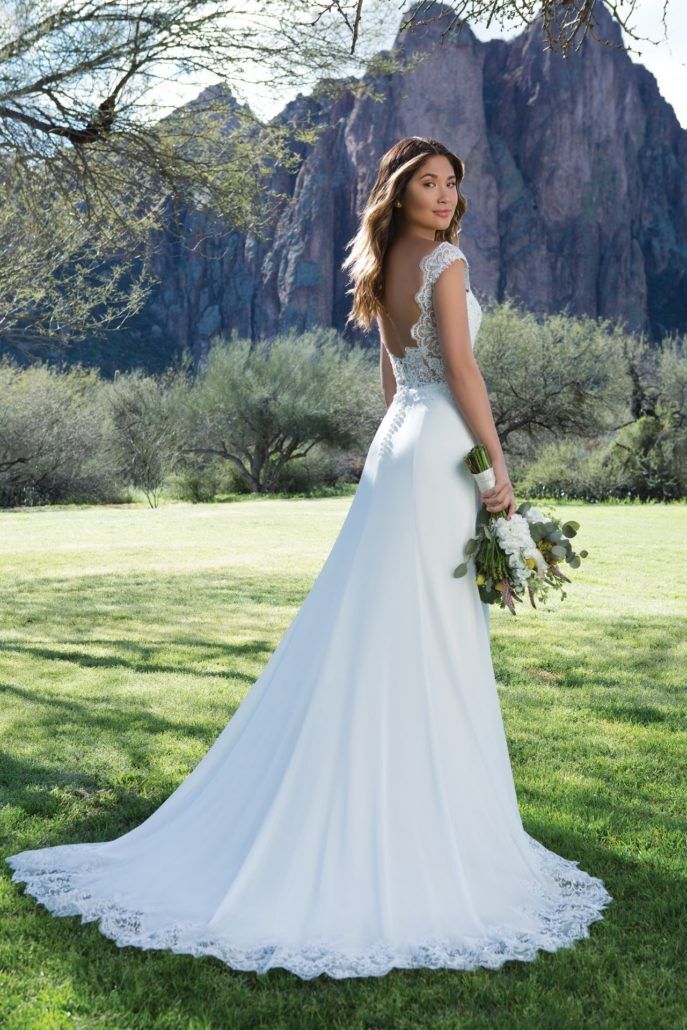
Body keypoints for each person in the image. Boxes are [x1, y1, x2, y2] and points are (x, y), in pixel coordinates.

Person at [6, 136, 612, 980]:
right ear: (399, 193)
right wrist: (496, 468)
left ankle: (382, 798)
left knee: (383, 626)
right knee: (425, 633)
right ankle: (416, 825)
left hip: (398, 452)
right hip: (438, 452)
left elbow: (393, 384)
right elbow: (461, 369)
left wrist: (398, 450)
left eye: (451, 184)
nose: (443, 196)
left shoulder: (380, 262)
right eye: (428, 184)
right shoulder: (445, 260)